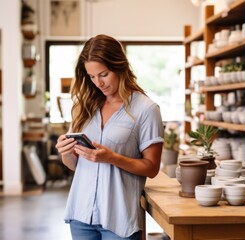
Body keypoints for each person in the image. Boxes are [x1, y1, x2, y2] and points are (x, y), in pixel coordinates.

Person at [55, 34, 164, 240]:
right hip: (81, 215)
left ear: (120, 66)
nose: (98, 83)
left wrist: (111, 158)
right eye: (92, 76)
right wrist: (66, 152)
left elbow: (151, 168)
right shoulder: (83, 107)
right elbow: (75, 165)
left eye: (103, 74)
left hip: (119, 219)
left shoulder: (146, 109)